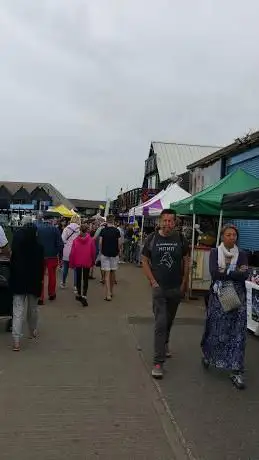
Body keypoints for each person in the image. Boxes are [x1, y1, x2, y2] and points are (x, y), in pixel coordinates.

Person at [141, 209, 189, 379]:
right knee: (160, 322)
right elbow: (144, 261)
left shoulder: (181, 239)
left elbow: (186, 260)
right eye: (165, 221)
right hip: (159, 288)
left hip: (175, 288)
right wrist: (153, 282)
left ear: (175, 223)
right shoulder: (152, 239)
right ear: (160, 222)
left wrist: (184, 282)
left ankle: (165, 343)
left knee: (169, 321)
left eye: (171, 221)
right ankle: (158, 362)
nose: (168, 224)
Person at [201, 225, 248, 390]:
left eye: (234, 235)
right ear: (222, 237)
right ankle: (209, 355)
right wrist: (233, 271)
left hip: (238, 299)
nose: (232, 237)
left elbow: (244, 274)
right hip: (219, 297)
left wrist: (226, 271)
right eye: (228, 234)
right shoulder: (215, 252)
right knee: (216, 329)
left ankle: (236, 368)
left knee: (238, 333)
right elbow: (214, 273)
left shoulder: (242, 254)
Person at [10, 220, 44, 351]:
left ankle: (16, 341)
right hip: (33, 283)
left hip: (18, 282)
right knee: (33, 309)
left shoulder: (17, 247)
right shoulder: (39, 248)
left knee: (17, 311)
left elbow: (12, 264)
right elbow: (41, 268)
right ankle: (32, 330)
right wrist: (40, 281)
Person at [35, 213, 63, 305]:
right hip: (52, 256)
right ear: (51, 220)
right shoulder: (55, 229)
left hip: (39, 256)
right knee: (52, 276)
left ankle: (40, 297)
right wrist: (56, 252)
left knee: (40, 276)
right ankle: (51, 294)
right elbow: (60, 244)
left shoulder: (37, 228)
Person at [70, 222, 96, 307]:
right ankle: (84, 295)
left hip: (77, 261)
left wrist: (72, 263)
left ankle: (79, 294)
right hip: (87, 261)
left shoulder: (75, 240)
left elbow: (72, 253)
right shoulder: (91, 240)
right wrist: (93, 260)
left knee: (78, 278)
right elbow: (93, 252)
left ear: (80, 230)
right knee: (85, 279)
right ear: (87, 231)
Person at [99, 215, 121, 301]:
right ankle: (111, 291)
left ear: (107, 221)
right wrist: (118, 251)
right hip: (114, 254)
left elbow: (100, 242)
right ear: (113, 221)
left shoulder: (103, 230)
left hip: (105, 254)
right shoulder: (117, 231)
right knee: (113, 273)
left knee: (107, 274)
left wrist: (101, 251)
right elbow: (119, 243)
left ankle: (108, 294)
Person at [61, 215, 81, 291]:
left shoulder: (66, 228)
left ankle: (63, 283)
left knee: (65, 267)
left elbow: (62, 239)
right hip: (76, 250)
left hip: (66, 250)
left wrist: (67, 243)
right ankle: (75, 286)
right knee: (76, 269)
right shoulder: (80, 229)